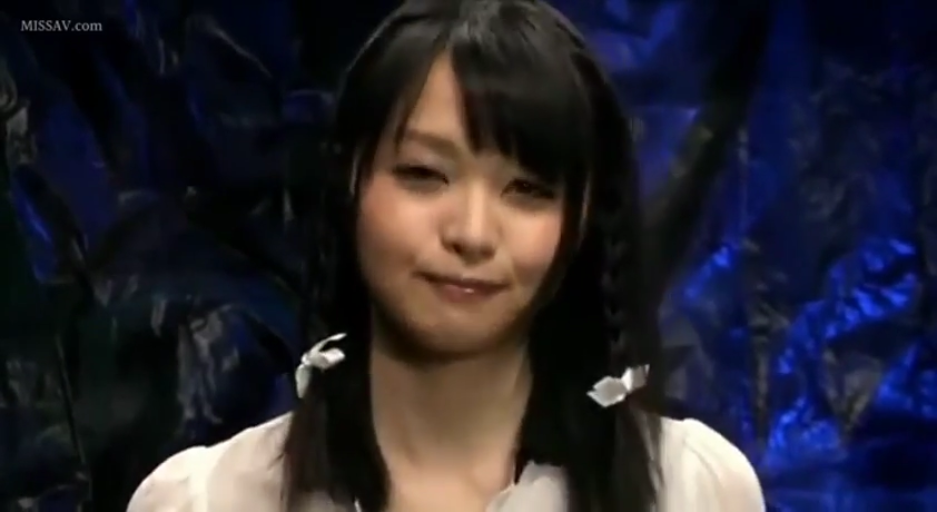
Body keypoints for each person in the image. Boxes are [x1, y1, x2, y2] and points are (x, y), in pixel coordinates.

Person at [126, 0, 764, 510]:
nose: (472, 233)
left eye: (527, 190)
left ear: (581, 219)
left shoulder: (692, 489)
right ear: (351, 181)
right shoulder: (203, 500)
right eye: (425, 175)